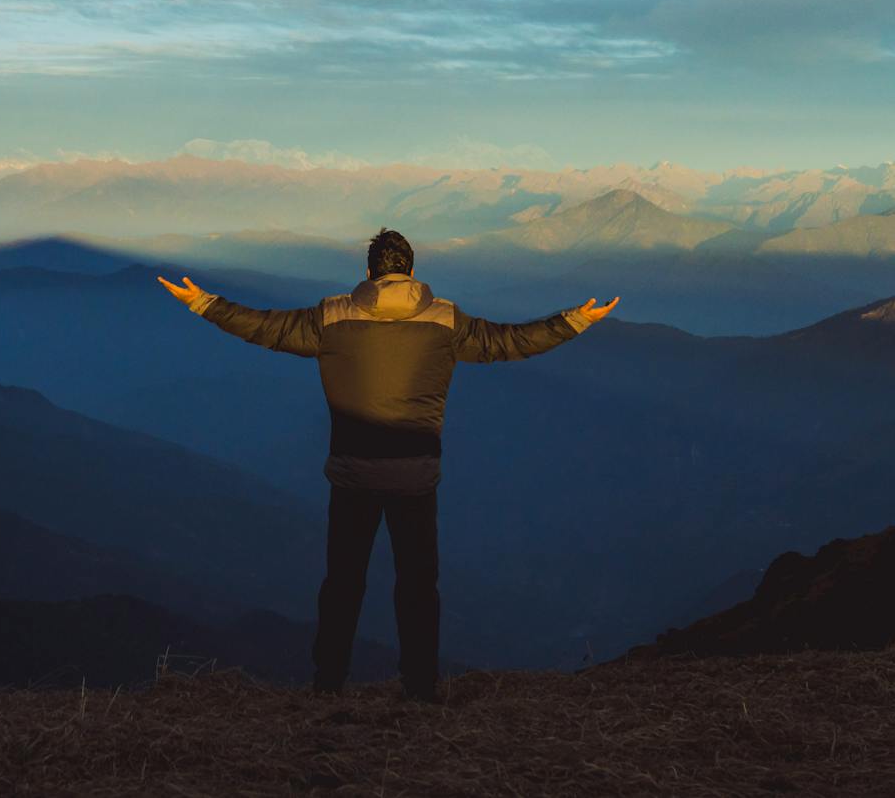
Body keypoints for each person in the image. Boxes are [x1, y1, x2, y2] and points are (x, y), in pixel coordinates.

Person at [157, 227, 617, 704]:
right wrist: (575, 320)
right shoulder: (446, 322)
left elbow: (263, 326)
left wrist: (203, 303)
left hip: (352, 475)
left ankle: (328, 683)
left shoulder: (330, 317)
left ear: (369, 273)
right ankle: (420, 686)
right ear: (413, 272)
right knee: (418, 586)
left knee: (342, 584)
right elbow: (510, 342)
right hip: (415, 478)